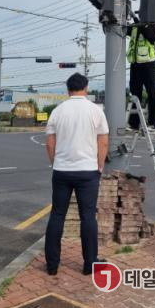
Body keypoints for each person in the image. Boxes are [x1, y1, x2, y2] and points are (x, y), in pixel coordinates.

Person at [44, 73, 109, 276]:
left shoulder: (57, 111)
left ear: (68, 89)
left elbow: (50, 143)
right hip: (88, 171)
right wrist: (100, 165)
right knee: (88, 216)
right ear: (86, 88)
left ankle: (52, 265)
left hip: (62, 171)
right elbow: (103, 142)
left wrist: (55, 163)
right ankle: (90, 263)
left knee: (57, 215)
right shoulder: (95, 110)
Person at [127, 19, 155, 130]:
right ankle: (134, 123)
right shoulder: (134, 27)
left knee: (152, 93)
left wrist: (143, 25)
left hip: (148, 64)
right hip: (135, 64)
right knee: (135, 93)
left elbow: (151, 37)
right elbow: (124, 30)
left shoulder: (153, 26)